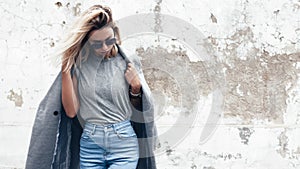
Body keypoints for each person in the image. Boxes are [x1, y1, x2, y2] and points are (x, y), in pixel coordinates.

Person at [60, 4, 156, 169]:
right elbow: (71, 111)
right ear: (87, 41)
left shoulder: (128, 60)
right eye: (97, 43)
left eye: (109, 41)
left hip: (123, 142)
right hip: (90, 144)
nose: (104, 47)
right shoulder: (80, 65)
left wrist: (136, 87)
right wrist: (65, 69)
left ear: (116, 35)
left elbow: (140, 110)